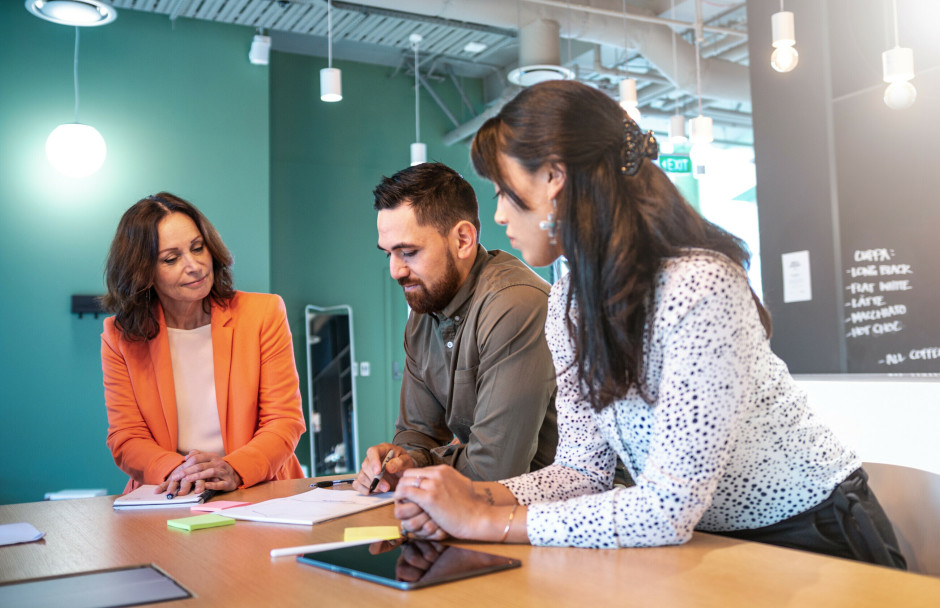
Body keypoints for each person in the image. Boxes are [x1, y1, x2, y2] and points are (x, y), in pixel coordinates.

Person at [391, 81, 906, 569]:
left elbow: (667, 507)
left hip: (814, 540)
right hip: (708, 542)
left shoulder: (699, 286)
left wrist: (487, 519)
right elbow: (581, 473)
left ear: (554, 178)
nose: (499, 215)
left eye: (504, 190)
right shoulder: (570, 300)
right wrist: (468, 495)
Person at [353, 162, 557, 494]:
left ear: (463, 239)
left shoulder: (514, 304)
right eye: (388, 254)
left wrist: (420, 466)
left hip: (567, 515)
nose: (395, 270)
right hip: (491, 511)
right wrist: (397, 462)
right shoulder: (424, 313)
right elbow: (416, 434)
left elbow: (496, 468)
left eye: (408, 252)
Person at [101, 192, 306, 497]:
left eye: (198, 248)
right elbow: (126, 437)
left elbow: (284, 420)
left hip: (257, 488)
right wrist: (180, 471)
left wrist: (234, 469)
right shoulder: (118, 336)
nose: (194, 265)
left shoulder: (264, 313)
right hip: (169, 492)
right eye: (171, 259)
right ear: (143, 272)